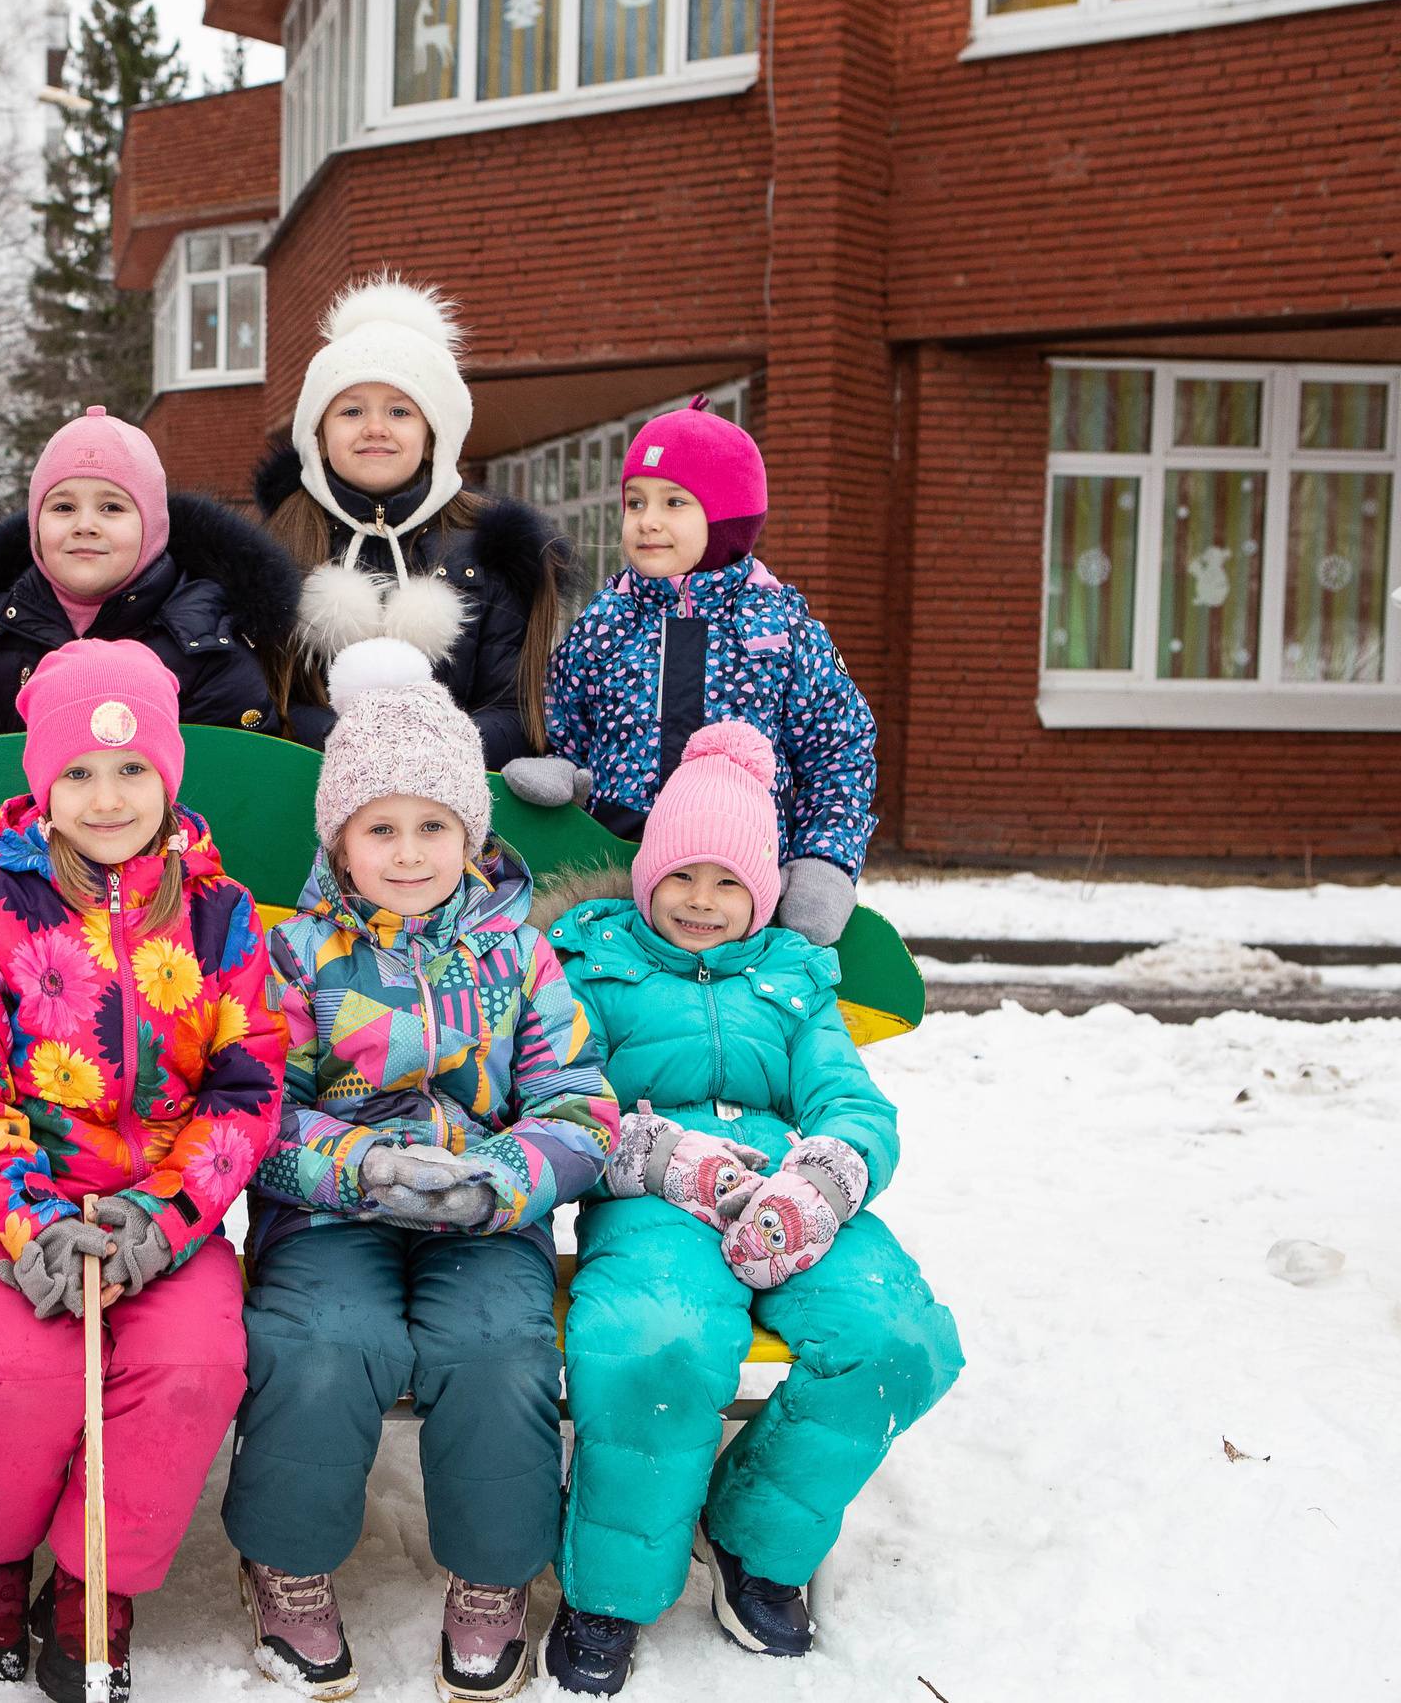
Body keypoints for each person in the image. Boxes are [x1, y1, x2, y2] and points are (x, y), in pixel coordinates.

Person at [222, 639, 617, 1703]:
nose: (406, 852)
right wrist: (355, 1168)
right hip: (333, 1219)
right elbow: (257, 1107)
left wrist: (496, 1177)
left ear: (469, 836)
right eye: (379, 829)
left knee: (497, 1352)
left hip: (483, 1219)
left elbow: (577, 1102)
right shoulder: (294, 955)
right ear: (339, 842)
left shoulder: (518, 956)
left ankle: (492, 1577)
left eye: (431, 827)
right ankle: (286, 1560)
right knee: (321, 1344)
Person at [534, 722, 962, 1696]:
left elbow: (850, 1099)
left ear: (762, 892)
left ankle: (756, 1536)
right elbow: (562, 1096)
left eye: (728, 881)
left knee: (896, 1340)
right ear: (646, 875)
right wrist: (657, 1154)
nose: (701, 900)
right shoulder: (590, 966)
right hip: (656, 1194)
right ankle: (608, 1589)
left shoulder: (792, 977)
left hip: (793, 1195)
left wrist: (820, 1183)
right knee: (655, 1343)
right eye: (682, 875)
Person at [0, 639, 287, 1703]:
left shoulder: (220, 917)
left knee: (192, 1366)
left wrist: (164, 1218)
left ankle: (91, 1580)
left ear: (167, 778)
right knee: (9, 1368)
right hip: (15, 1213)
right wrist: (28, 1223)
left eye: (131, 771)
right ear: (41, 784)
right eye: (78, 771)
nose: (106, 796)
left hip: (166, 1216)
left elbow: (248, 1089)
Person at [505, 399, 877, 945]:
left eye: (674, 502)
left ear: (727, 516)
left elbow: (839, 751)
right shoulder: (604, 622)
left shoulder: (779, 629)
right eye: (635, 503)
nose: (647, 520)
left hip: (735, 885)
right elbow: (567, 720)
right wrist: (564, 770)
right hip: (614, 870)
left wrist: (825, 859)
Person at [254, 278, 580, 768]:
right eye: (351, 410)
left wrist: (427, 747)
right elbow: (254, 703)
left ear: (433, 437)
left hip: (452, 825)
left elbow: (517, 715)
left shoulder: (492, 553)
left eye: (400, 410)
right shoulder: (273, 549)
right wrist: (344, 741)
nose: (375, 427)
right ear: (318, 436)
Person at [0, 406, 299, 737]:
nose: (85, 525)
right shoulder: (0, 635)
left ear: (152, 526)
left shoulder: (205, 646)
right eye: (63, 507)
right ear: (34, 524)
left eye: (112, 507)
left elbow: (230, 782)